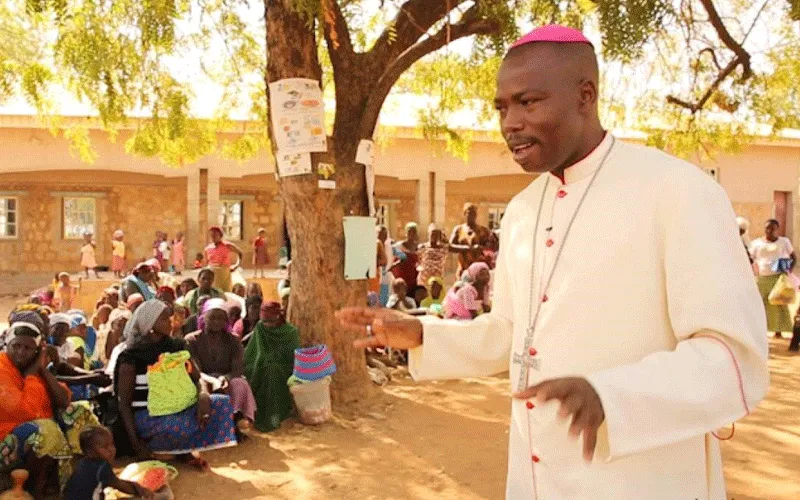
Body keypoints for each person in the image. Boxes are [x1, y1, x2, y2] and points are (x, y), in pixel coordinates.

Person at [337, 25, 768, 500]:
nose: (510, 123)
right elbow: (511, 333)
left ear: (586, 95)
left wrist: (612, 396)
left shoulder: (678, 192)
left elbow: (732, 357)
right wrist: (422, 333)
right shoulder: (523, 210)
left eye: (529, 102)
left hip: (642, 478)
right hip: (536, 477)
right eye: (502, 107)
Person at [114, 300, 237, 469]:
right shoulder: (131, 356)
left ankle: (181, 449)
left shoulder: (177, 346)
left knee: (221, 404)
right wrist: (135, 444)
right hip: (149, 415)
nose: (170, 322)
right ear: (149, 324)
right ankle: (158, 448)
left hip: (179, 406)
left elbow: (196, 376)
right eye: (164, 319)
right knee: (178, 425)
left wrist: (203, 395)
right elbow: (124, 404)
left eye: (169, 317)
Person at [0, 322, 100, 496]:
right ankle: (33, 490)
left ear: (38, 351)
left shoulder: (32, 367)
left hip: (28, 437)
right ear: (6, 345)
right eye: (16, 346)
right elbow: (25, 413)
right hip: (4, 442)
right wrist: (32, 375)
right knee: (45, 430)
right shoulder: (2, 368)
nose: (21, 352)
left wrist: (43, 370)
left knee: (78, 413)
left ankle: (75, 482)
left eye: (28, 348)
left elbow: (64, 401)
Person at [184, 301, 256, 432]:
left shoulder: (233, 340)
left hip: (226, 381)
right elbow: (195, 369)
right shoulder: (191, 340)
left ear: (226, 321)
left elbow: (238, 369)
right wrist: (212, 380)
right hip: (201, 380)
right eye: (213, 317)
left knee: (240, 383)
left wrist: (226, 378)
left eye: (221, 318)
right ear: (204, 317)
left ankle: (235, 419)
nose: (217, 321)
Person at [244, 301, 300, 432]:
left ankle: (273, 416)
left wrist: (271, 359)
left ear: (278, 316)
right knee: (247, 373)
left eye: (270, 321)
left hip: (284, 366)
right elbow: (254, 351)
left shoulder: (290, 332)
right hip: (260, 363)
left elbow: (291, 356)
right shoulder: (260, 327)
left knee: (272, 372)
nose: (267, 325)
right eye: (264, 321)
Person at [64, 426, 161, 500]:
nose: (111, 450)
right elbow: (121, 486)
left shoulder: (82, 463)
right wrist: (141, 490)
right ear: (90, 452)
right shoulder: (102, 467)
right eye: (105, 447)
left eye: (112, 444)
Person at [749, 219, 796, 338]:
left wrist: (789, 269)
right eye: (767, 228)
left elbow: (793, 256)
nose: (769, 231)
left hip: (778, 277)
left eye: (772, 228)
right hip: (762, 277)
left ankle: (778, 330)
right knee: (761, 303)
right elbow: (751, 258)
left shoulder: (784, 242)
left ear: (777, 229)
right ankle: (760, 330)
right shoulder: (757, 243)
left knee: (778, 303)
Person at [449, 203, 492, 277]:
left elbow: (490, 247)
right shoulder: (458, 229)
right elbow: (450, 247)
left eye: (474, 213)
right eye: (469, 213)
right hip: (463, 268)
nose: (472, 215)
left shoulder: (483, 230)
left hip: (478, 270)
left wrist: (481, 248)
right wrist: (469, 248)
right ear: (464, 214)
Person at [204, 227, 244, 293]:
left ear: (220, 235)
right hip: (212, 272)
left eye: (215, 235)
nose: (213, 236)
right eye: (211, 235)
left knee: (226, 292)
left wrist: (236, 265)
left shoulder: (227, 245)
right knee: (214, 291)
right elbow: (206, 262)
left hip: (224, 271)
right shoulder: (208, 248)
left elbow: (240, 253)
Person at [392, 223, 422, 298]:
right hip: (401, 279)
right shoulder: (398, 246)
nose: (411, 234)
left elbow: (420, 262)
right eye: (409, 231)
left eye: (414, 232)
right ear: (406, 233)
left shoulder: (418, 247)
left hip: (413, 279)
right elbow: (393, 263)